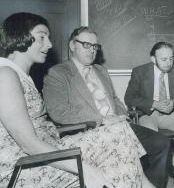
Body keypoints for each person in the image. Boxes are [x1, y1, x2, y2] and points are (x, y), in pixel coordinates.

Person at [0, 12, 154, 188]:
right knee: (114, 160)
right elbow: (28, 144)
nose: (49, 44)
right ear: (20, 35)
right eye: (42, 37)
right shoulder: (5, 75)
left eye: (48, 38)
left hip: (47, 149)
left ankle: (143, 184)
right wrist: (84, 169)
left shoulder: (20, 75)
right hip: (24, 168)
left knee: (119, 130)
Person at [43, 26, 170, 188]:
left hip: (120, 125)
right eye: (86, 45)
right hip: (88, 130)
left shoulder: (100, 70)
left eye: (95, 46)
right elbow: (59, 113)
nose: (92, 50)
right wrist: (102, 120)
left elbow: (115, 99)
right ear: (72, 45)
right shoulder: (58, 73)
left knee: (161, 143)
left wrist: (123, 115)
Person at [124, 41, 174, 186]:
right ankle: (152, 174)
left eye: (171, 58)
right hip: (148, 113)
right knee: (152, 137)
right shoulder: (140, 72)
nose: (169, 63)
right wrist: (154, 104)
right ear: (153, 59)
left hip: (170, 114)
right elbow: (129, 97)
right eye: (164, 59)